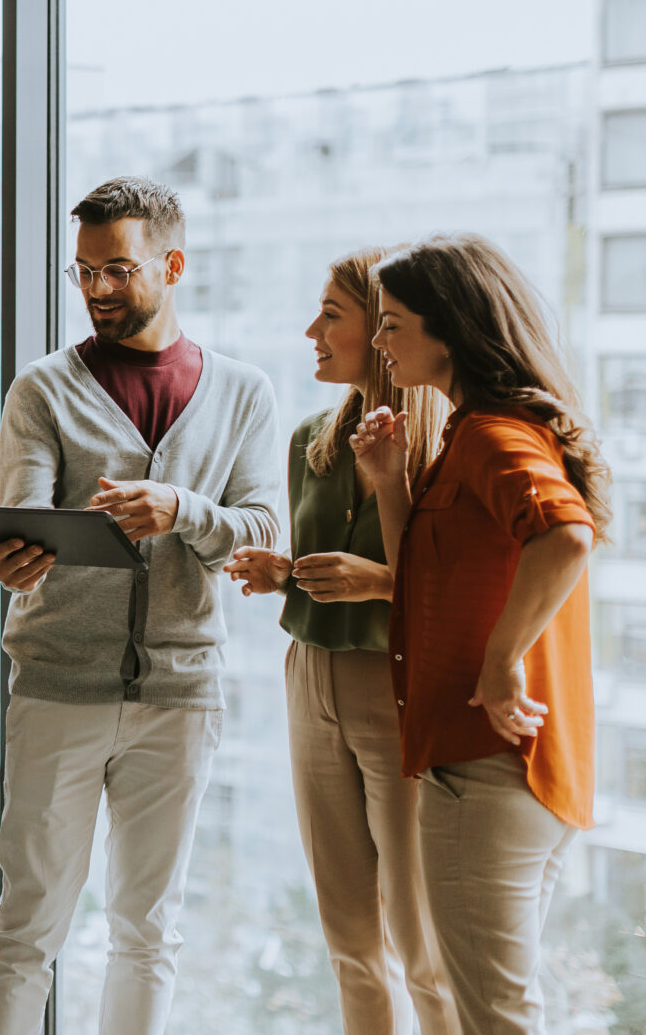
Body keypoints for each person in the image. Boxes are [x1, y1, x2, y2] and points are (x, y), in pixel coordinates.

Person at [0, 176, 280, 1035]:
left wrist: (180, 508)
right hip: (56, 686)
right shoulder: (42, 390)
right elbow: (29, 518)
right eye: (83, 273)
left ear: (172, 264)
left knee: (148, 930)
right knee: (26, 927)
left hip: (180, 695)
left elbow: (258, 528)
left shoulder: (243, 392)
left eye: (117, 270)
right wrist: (19, 561)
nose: (97, 291)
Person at [351, 234, 605, 1033]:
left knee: (491, 1015)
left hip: (487, 765)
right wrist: (391, 485)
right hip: (505, 770)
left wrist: (502, 663)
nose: (381, 345)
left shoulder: (494, 435)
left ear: (449, 329)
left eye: (393, 325)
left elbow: (565, 535)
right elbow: (421, 583)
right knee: (495, 1006)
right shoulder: (475, 432)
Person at [223, 247, 458, 1035]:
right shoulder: (308, 444)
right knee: (348, 935)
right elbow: (329, 568)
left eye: (332, 315)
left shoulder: (440, 450)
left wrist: (377, 581)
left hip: (391, 689)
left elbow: (451, 588)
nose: (311, 331)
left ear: (382, 329)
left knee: (420, 937)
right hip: (309, 677)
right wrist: (282, 571)